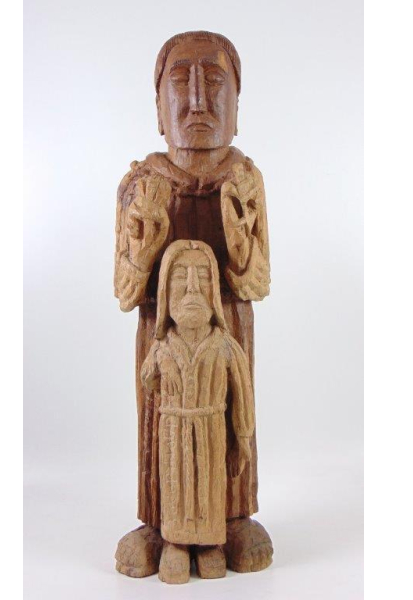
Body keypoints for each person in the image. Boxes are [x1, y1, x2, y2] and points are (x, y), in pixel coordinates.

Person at [114, 31, 272, 577]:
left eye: (216, 82)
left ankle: (233, 517)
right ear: (159, 110)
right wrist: (145, 241)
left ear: (237, 106)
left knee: (232, 420)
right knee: (162, 428)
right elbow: (126, 291)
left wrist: (239, 233)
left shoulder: (245, 180)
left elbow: (257, 282)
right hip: (161, 331)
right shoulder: (141, 184)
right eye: (181, 82)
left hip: (229, 327)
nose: (199, 100)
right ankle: (160, 524)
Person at [141, 240, 255, 583]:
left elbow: (242, 392)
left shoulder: (224, 345)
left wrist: (242, 439)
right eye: (180, 277)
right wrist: (162, 373)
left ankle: (209, 545)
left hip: (210, 429)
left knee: (208, 485)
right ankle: (175, 543)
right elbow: (148, 379)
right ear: (165, 291)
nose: (192, 287)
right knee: (176, 486)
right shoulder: (163, 345)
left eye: (202, 276)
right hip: (173, 432)